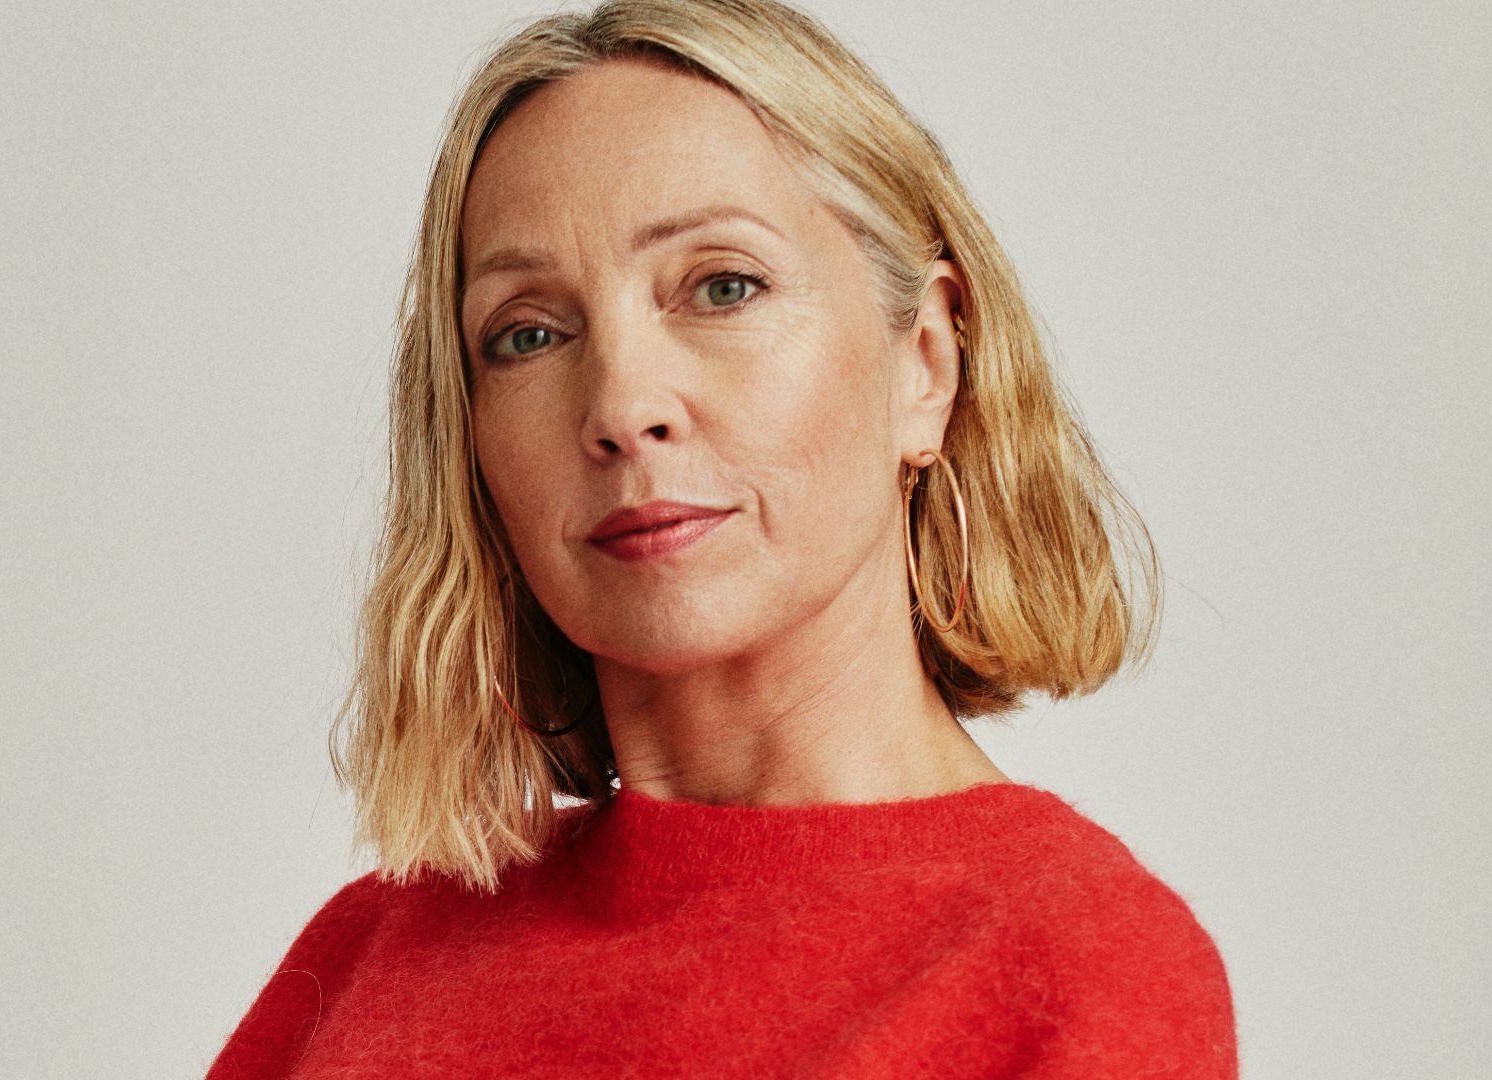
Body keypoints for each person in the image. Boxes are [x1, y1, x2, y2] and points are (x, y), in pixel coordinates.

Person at [206, 0, 1236, 1075]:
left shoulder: (1073, 964)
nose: (621, 403)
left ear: (924, 363)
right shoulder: (375, 954)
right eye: (528, 333)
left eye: (722, 287)